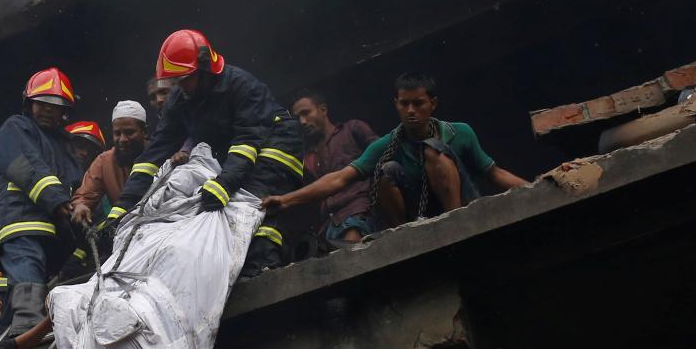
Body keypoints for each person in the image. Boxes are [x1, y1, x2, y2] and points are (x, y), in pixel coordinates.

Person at [112, 30, 304, 278]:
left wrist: (224, 183)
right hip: (239, 158)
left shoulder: (242, 85)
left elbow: (247, 139)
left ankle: (264, 272)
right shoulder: (180, 100)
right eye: (175, 79)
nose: (179, 85)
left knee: (252, 209)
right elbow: (153, 156)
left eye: (185, 77)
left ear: (204, 69)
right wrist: (122, 208)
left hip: (275, 149)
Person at [262, 73, 529, 226]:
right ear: (396, 105)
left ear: (432, 103)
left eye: (418, 103)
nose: (411, 111)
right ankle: (405, 230)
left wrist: (536, 187)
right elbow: (340, 178)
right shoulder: (387, 144)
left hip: (463, 209)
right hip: (421, 217)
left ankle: (454, 221)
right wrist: (285, 200)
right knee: (384, 170)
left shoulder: (460, 132)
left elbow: (494, 174)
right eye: (404, 104)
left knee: (433, 149)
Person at [0, 67, 84, 338]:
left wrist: (78, 207)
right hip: (20, 222)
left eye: (55, 106)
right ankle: (28, 330)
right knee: (26, 272)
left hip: (50, 228)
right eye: (41, 103)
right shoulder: (16, 128)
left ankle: (14, 336)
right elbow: (25, 167)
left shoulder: (62, 145)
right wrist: (58, 200)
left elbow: (75, 182)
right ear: (29, 103)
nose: (47, 110)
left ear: (64, 111)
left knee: (26, 282)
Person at [291, 91, 379, 246]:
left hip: (357, 212)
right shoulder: (307, 158)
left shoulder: (352, 129)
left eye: (306, 113)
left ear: (323, 110)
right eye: (298, 117)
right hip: (326, 228)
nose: (302, 121)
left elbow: (383, 157)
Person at [69, 101, 149, 229]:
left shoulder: (160, 155)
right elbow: (84, 195)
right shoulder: (104, 161)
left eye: (129, 132)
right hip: (124, 230)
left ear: (144, 132)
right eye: (117, 133)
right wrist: (81, 205)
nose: (122, 139)